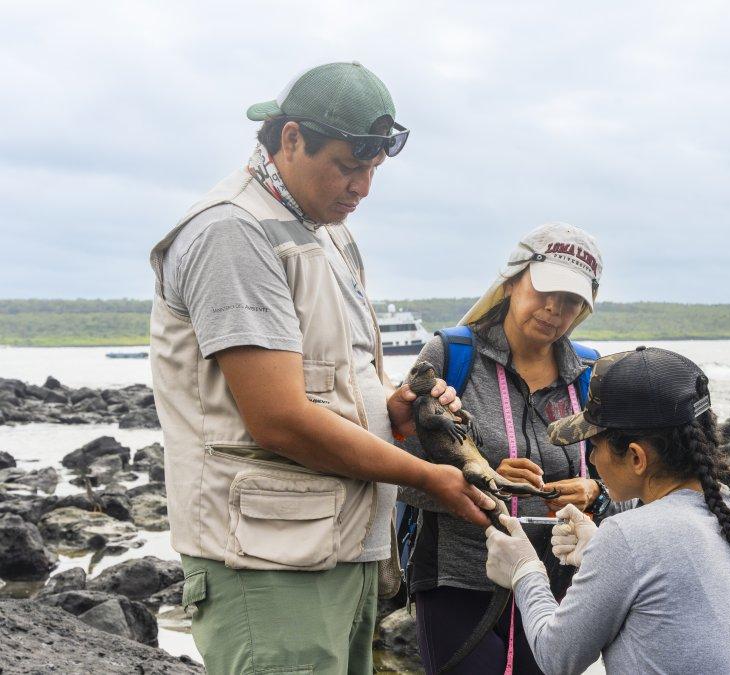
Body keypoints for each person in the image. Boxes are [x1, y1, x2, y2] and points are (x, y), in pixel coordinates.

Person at [148, 62, 492, 675]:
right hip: (265, 563)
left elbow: (339, 377)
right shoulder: (233, 232)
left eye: (372, 170)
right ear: (289, 138)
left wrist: (393, 407)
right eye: (347, 165)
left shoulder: (330, 234)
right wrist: (426, 477)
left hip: (340, 546)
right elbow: (279, 419)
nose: (362, 187)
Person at [483, 347, 730, 675]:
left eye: (595, 446)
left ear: (637, 457)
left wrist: (525, 571)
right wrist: (597, 554)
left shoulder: (628, 536)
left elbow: (557, 658)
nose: (592, 461)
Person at [396, 222, 614, 674]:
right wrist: (479, 472)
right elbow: (398, 473)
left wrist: (596, 494)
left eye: (572, 300)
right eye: (545, 291)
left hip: (558, 586)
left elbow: (632, 478)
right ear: (512, 280)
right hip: (456, 580)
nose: (555, 309)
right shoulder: (450, 356)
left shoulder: (592, 374)